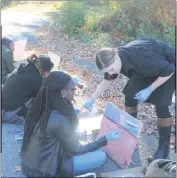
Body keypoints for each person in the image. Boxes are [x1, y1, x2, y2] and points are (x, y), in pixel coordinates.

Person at [83, 38, 175, 163]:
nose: (111, 72)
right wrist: (92, 98)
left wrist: (149, 89)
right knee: (130, 96)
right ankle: (130, 134)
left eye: (111, 69)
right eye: (107, 71)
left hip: (168, 66)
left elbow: (169, 69)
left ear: (116, 58)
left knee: (161, 105)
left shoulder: (139, 58)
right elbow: (106, 81)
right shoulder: (112, 61)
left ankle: (163, 150)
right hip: (145, 69)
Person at [20, 71, 120, 177]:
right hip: (42, 172)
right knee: (101, 156)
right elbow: (75, 149)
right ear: (63, 92)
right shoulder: (58, 118)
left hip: (27, 164)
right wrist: (104, 139)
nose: (75, 92)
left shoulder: (40, 105)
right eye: (73, 89)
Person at [2, 54, 54, 123]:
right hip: (7, 113)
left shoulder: (23, 66)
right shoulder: (36, 79)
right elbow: (42, 97)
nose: (49, 73)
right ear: (42, 70)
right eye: (49, 71)